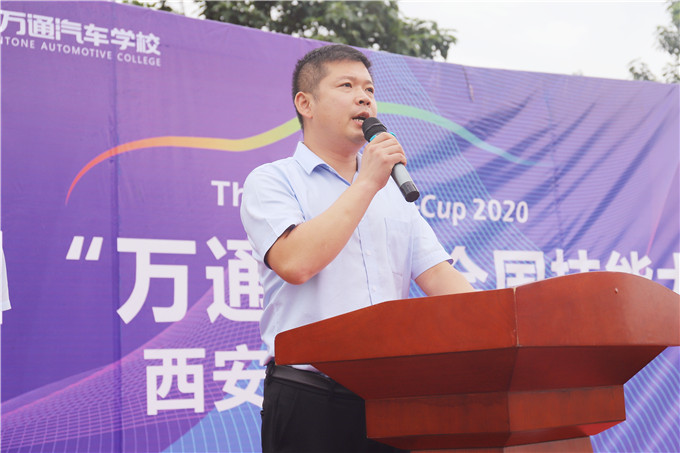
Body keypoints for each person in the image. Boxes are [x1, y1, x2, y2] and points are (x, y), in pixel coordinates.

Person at [240, 44, 474, 453]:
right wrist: (366, 183)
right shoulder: (273, 181)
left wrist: (507, 326)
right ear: (305, 104)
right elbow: (295, 263)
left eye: (369, 89)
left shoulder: (392, 192)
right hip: (310, 398)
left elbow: (439, 276)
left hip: (391, 399)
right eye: (346, 86)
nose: (364, 97)